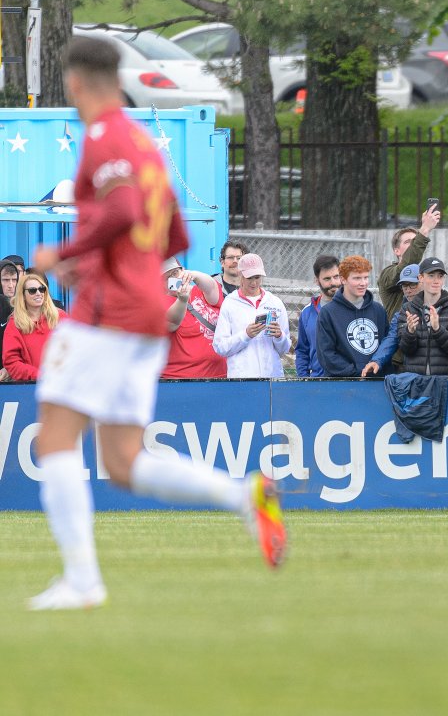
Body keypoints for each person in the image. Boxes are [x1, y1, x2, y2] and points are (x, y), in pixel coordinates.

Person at [28, 36, 285, 611]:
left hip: (106, 313)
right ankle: (245, 495)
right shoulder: (144, 144)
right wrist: (102, 261)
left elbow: (118, 212)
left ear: (74, 82)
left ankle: (81, 582)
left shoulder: (103, 135)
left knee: (54, 438)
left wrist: (62, 256)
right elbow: (175, 237)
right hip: (145, 315)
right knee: (122, 462)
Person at [364, 257, 448, 377]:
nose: (408, 290)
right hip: (415, 379)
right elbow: (393, 339)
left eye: (412, 285)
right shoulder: (405, 311)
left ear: (421, 281)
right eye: (404, 286)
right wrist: (377, 360)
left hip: (446, 379)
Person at [213, 253, 291, 378]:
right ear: (240, 275)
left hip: (271, 379)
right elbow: (220, 347)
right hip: (241, 382)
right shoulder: (230, 303)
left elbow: (285, 348)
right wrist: (246, 335)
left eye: (257, 277)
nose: (254, 283)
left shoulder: (275, 302)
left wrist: (279, 336)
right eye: (249, 277)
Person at [316, 255, 390, 378]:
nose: (363, 283)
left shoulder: (378, 310)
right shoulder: (328, 313)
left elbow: (386, 345)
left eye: (366, 277)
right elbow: (326, 355)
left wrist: (377, 369)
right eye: (357, 278)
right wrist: (358, 372)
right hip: (343, 384)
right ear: (343, 279)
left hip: (376, 382)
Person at [161, 257, 226, 379]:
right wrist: (182, 300)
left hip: (218, 376)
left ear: (183, 270)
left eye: (175, 272)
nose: (173, 279)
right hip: (183, 380)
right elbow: (173, 322)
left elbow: (213, 288)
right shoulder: (159, 303)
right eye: (167, 278)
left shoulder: (199, 290)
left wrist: (193, 275)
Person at [378, 206, 441, 317]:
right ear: (396, 251)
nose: (413, 245)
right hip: (398, 331)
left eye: (415, 241)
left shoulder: (423, 273)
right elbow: (406, 267)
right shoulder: (387, 274)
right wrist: (425, 229)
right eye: (408, 242)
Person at [3, 271, 64, 381]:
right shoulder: (14, 324)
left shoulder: (61, 317)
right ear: (23, 295)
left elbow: (77, 347)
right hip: (30, 388)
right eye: (32, 290)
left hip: (62, 385)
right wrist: (40, 375)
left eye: (41, 289)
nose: (38, 293)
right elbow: (11, 362)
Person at [295, 255, 342, 379]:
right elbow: (302, 350)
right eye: (327, 279)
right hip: (317, 381)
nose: (333, 283)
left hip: (348, 380)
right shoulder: (307, 312)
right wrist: (303, 379)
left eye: (336, 277)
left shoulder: (353, 309)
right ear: (317, 280)